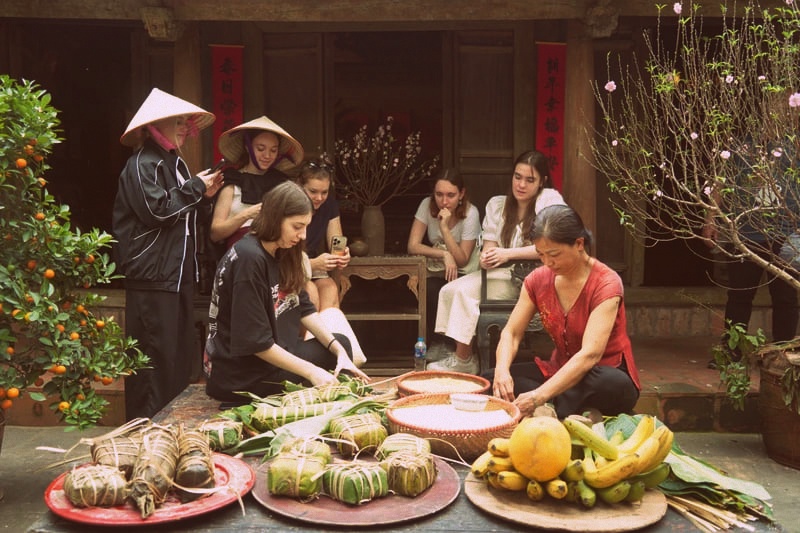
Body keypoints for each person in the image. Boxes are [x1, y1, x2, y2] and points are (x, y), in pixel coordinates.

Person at [112, 88, 224, 420]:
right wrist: (196, 189)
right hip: (152, 275)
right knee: (153, 361)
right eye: (176, 121)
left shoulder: (174, 163)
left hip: (175, 276)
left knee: (174, 359)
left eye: (184, 122)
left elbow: (185, 215)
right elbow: (156, 212)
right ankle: (144, 433)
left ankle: (168, 429)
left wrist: (204, 196)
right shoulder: (141, 164)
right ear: (156, 125)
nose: (184, 127)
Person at [204, 181, 369, 404]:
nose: (303, 235)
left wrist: (339, 352)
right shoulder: (249, 258)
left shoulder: (283, 250)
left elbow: (304, 308)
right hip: (242, 375)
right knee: (320, 370)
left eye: (306, 227)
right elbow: (257, 343)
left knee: (342, 344)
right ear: (275, 219)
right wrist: (311, 371)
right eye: (297, 226)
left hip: (272, 358)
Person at [488, 204, 641, 419]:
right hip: (559, 371)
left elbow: (590, 355)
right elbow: (511, 333)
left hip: (603, 373)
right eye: (540, 255)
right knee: (488, 382)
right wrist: (501, 371)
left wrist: (538, 396)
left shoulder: (606, 283)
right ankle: (564, 406)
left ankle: (549, 404)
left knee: (606, 382)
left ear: (579, 243)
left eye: (554, 254)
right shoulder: (537, 280)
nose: (547, 262)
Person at [427, 150, 566, 375]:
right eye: (517, 177)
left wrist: (508, 254)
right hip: (500, 273)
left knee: (463, 292)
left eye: (530, 180)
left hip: (532, 278)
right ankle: (463, 354)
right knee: (450, 290)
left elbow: (553, 246)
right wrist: (488, 255)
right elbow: (491, 245)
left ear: (542, 182)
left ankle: (463, 361)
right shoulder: (498, 205)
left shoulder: (548, 201)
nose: (521, 184)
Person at [702, 138, 799, 368]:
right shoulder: (740, 148)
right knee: (739, 295)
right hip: (745, 234)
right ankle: (731, 353)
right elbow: (720, 183)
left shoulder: (794, 147)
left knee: (785, 298)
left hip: (786, 235)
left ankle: (781, 355)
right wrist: (710, 219)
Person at [406, 168, 480, 353]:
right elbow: (413, 246)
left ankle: (451, 347)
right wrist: (444, 255)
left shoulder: (471, 213)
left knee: (447, 291)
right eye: (439, 194)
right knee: (425, 288)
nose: (444, 201)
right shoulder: (426, 205)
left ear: (461, 194)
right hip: (438, 266)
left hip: (465, 271)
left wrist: (444, 228)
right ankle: (434, 345)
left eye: (450, 195)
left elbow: (462, 259)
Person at [210, 115, 304, 249]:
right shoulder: (232, 181)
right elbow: (215, 234)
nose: (267, 156)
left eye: (273, 150)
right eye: (260, 149)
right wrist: (247, 214)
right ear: (248, 147)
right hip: (239, 253)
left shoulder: (282, 183)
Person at [295, 157, 350, 310]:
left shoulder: (329, 204)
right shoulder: (289, 203)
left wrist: (342, 254)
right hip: (289, 265)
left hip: (313, 263)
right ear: (300, 185)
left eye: (324, 192)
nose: (319, 198)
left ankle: (329, 334)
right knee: (310, 292)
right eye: (313, 191)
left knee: (330, 288)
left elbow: (337, 241)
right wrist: (312, 264)